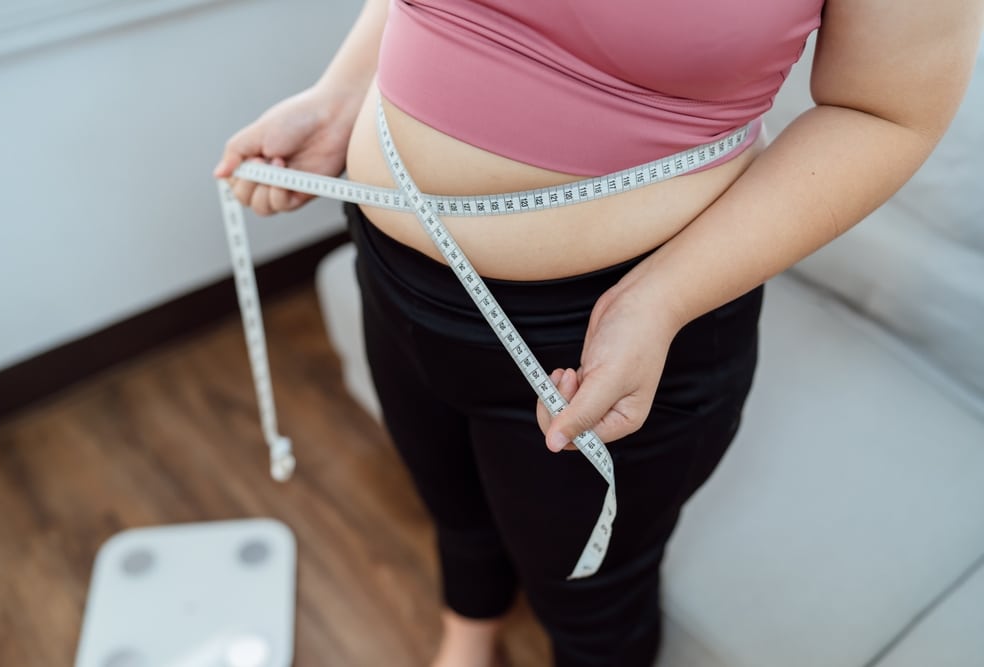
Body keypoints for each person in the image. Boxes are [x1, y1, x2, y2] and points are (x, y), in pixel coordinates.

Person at [214, 1, 983, 665]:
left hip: (614, 327)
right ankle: (468, 632)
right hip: (390, 266)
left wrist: (661, 299)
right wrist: (343, 90)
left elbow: (887, 111)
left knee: (591, 599)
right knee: (452, 501)